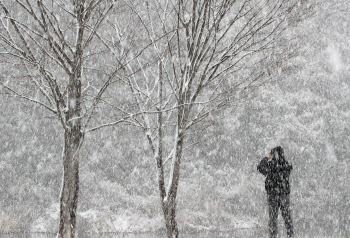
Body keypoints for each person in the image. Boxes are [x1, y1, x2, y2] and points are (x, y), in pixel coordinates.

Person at [257, 146, 294, 238]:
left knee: (273, 218)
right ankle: (290, 235)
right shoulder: (285, 165)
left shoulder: (271, 166)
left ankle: (273, 236)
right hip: (283, 195)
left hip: (273, 195)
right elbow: (289, 168)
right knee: (286, 217)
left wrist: (267, 157)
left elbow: (260, 167)